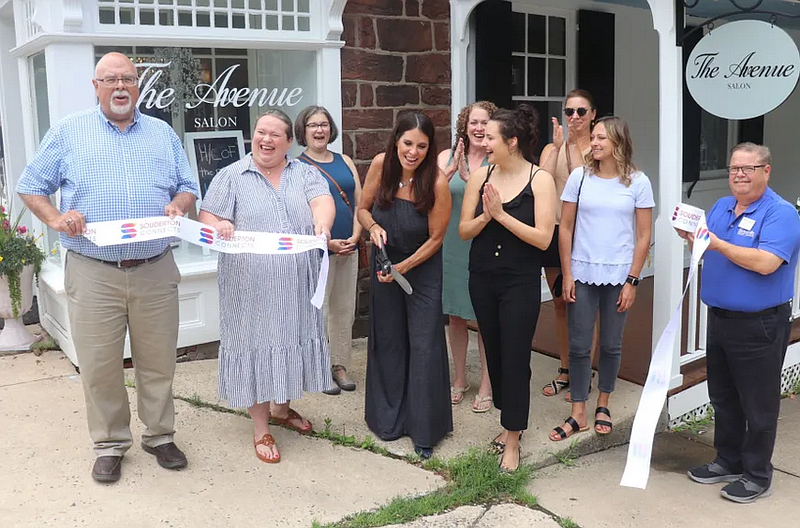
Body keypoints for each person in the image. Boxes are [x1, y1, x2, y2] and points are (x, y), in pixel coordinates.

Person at [16, 52, 198, 483]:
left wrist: (179, 204)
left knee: (158, 362)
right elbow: (31, 185)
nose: (120, 87)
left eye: (128, 79)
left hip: (155, 267)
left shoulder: (162, 133)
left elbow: (188, 185)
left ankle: (160, 435)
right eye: (111, 79)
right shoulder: (69, 132)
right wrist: (57, 219)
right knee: (100, 365)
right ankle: (110, 443)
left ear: (138, 86)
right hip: (93, 271)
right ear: (96, 86)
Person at [198, 109, 336, 464]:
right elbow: (207, 216)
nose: (266, 139)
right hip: (249, 285)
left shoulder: (305, 173)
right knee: (256, 345)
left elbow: (322, 203)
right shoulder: (231, 175)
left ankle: (282, 408)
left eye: (275, 134)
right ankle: (261, 428)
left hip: (296, 282)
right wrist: (220, 224)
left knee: (290, 337)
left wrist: (322, 224)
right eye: (261, 132)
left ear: (289, 142)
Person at [683, 143, 800, 503]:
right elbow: (706, 248)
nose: (739, 175)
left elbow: (766, 263)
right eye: (734, 168)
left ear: (766, 171)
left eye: (748, 168)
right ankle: (728, 460)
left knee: (758, 404)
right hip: (720, 319)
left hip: (759, 324)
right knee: (723, 397)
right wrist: (692, 239)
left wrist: (717, 245)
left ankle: (757, 475)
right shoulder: (721, 206)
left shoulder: (781, 213)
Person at [460, 104, 556, 472]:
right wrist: (487, 215)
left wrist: (501, 215)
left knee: (515, 357)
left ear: (511, 142)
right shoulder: (479, 177)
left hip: (519, 281)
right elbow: (464, 231)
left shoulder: (539, 180)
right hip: (482, 277)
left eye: (490, 138)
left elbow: (543, 239)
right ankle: (509, 420)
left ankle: (513, 437)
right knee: (497, 354)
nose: (483, 143)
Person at [549, 116, 653, 442]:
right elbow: (565, 228)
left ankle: (603, 402)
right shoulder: (579, 177)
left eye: (601, 138)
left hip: (619, 276)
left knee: (611, 343)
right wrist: (567, 274)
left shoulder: (638, 182)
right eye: (593, 137)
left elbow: (644, 236)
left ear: (618, 143)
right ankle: (578, 411)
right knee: (579, 344)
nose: (594, 143)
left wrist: (632, 281)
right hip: (582, 273)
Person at [358, 111, 453, 459]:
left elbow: (436, 238)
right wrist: (372, 228)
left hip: (421, 270)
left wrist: (404, 267)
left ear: (430, 148)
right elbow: (363, 209)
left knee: (424, 344)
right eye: (408, 143)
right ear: (396, 140)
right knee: (389, 340)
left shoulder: (437, 183)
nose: (413, 152)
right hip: (386, 263)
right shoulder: (380, 165)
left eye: (422, 146)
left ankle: (424, 430)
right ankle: (388, 420)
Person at [294, 105, 362, 395]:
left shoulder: (345, 161)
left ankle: (340, 365)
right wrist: (325, 242)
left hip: (348, 247)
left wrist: (356, 235)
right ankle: (318, 368)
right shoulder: (297, 167)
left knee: (344, 310)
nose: (319, 130)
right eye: (313, 125)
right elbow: (298, 213)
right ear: (303, 131)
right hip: (318, 252)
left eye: (323, 125)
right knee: (318, 312)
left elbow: (359, 201)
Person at [436, 101, 496, 412]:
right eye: (474, 122)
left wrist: (471, 177)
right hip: (451, 245)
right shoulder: (445, 157)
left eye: (485, 122)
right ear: (464, 125)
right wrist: (447, 176)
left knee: (485, 316)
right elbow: (430, 195)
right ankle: (459, 378)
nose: (479, 128)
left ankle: (487, 383)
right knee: (456, 315)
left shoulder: (498, 160)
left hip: (483, 244)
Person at [539, 90, 597, 400]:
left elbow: (582, 184)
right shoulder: (553, 147)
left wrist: (573, 147)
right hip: (555, 230)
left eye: (581, 111)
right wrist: (558, 147)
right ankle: (565, 368)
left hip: (586, 234)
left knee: (585, 306)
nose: (574, 117)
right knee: (560, 302)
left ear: (592, 115)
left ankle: (583, 371)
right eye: (569, 111)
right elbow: (541, 182)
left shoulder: (599, 149)